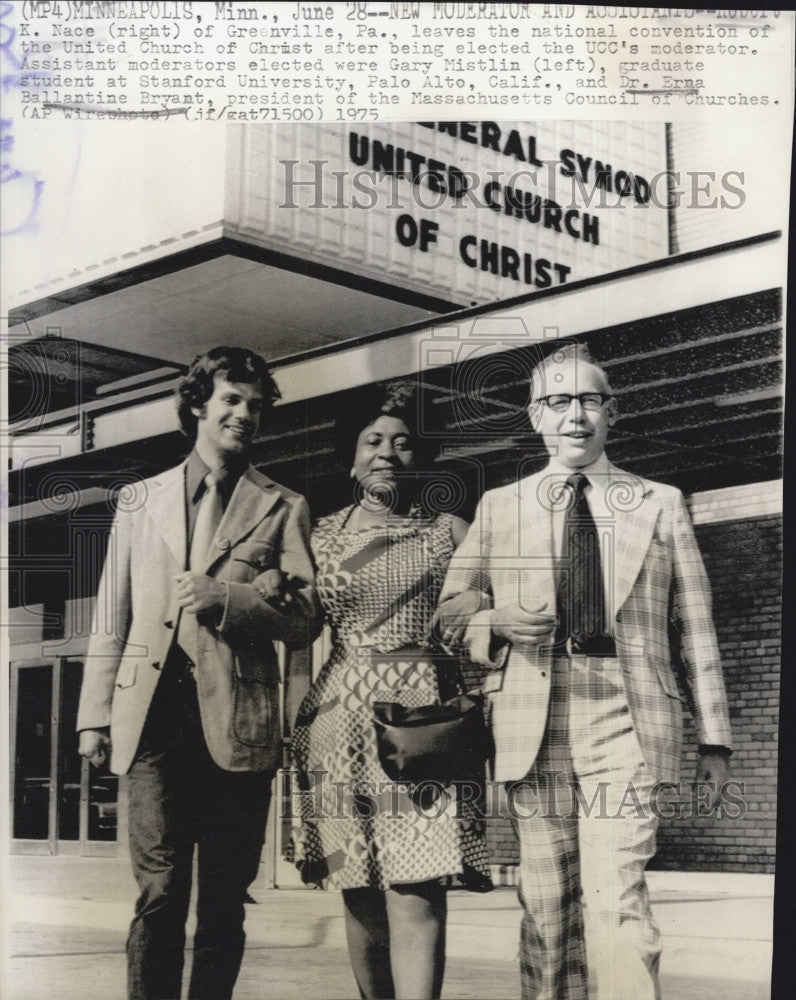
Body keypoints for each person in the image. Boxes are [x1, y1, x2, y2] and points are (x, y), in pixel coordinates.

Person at [435, 345, 732, 1000]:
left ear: (612, 412)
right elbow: (450, 615)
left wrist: (715, 741)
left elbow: (697, 630)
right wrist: (498, 622)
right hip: (531, 724)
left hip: (626, 721)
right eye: (559, 401)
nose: (576, 415)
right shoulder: (499, 507)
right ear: (536, 415)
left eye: (590, 400)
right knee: (547, 911)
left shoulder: (660, 503)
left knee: (616, 900)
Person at [76, 346, 320, 1000]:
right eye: (231, 401)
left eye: (255, 406)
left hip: (237, 724)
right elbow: (113, 615)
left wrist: (231, 600)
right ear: (196, 407)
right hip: (152, 718)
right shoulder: (139, 500)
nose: (245, 415)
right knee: (159, 891)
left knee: (222, 900)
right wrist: (94, 717)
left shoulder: (283, 506)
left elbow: (304, 621)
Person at [289, 381, 492, 1000]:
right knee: (357, 885)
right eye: (372, 440)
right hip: (337, 717)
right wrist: (290, 724)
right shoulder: (319, 536)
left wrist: (479, 599)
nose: (386, 452)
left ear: (420, 458)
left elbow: (488, 611)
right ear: (350, 457)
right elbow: (301, 639)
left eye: (403, 443)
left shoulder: (450, 531)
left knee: (418, 882)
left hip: (421, 718)